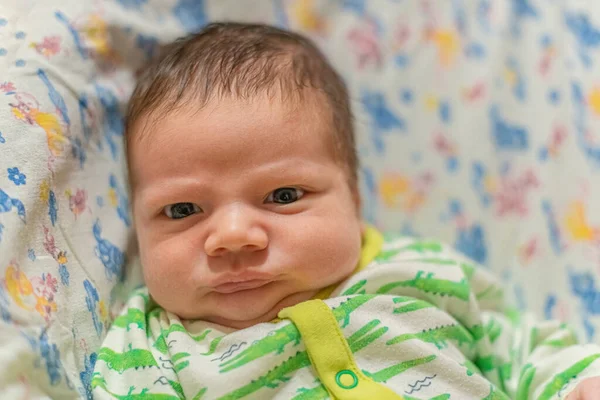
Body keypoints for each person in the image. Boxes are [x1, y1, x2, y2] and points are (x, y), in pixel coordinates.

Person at [92, 22, 600, 400]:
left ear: (354, 199)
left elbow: (521, 346)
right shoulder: (150, 343)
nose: (233, 235)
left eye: (283, 196)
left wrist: (576, 382)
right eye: (182, 209)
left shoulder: (423, 273)